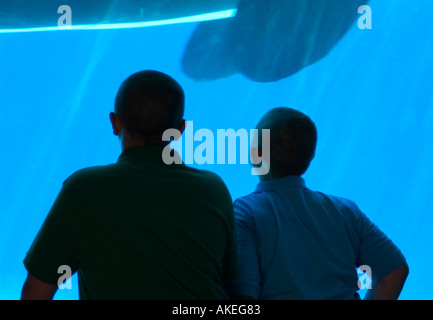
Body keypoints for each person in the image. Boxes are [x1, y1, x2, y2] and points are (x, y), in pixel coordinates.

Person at [21, 70, 238, 300]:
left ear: (115, 123)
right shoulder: (214, 189)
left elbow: (37, 291)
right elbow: (229, 278)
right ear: (181, 130)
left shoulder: (84, 189)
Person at [227, 107, 408, 300]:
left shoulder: (244, 213)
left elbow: (244, 297)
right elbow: (395, 270)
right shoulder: (346, 212)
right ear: (311, 156)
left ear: (255, 154)